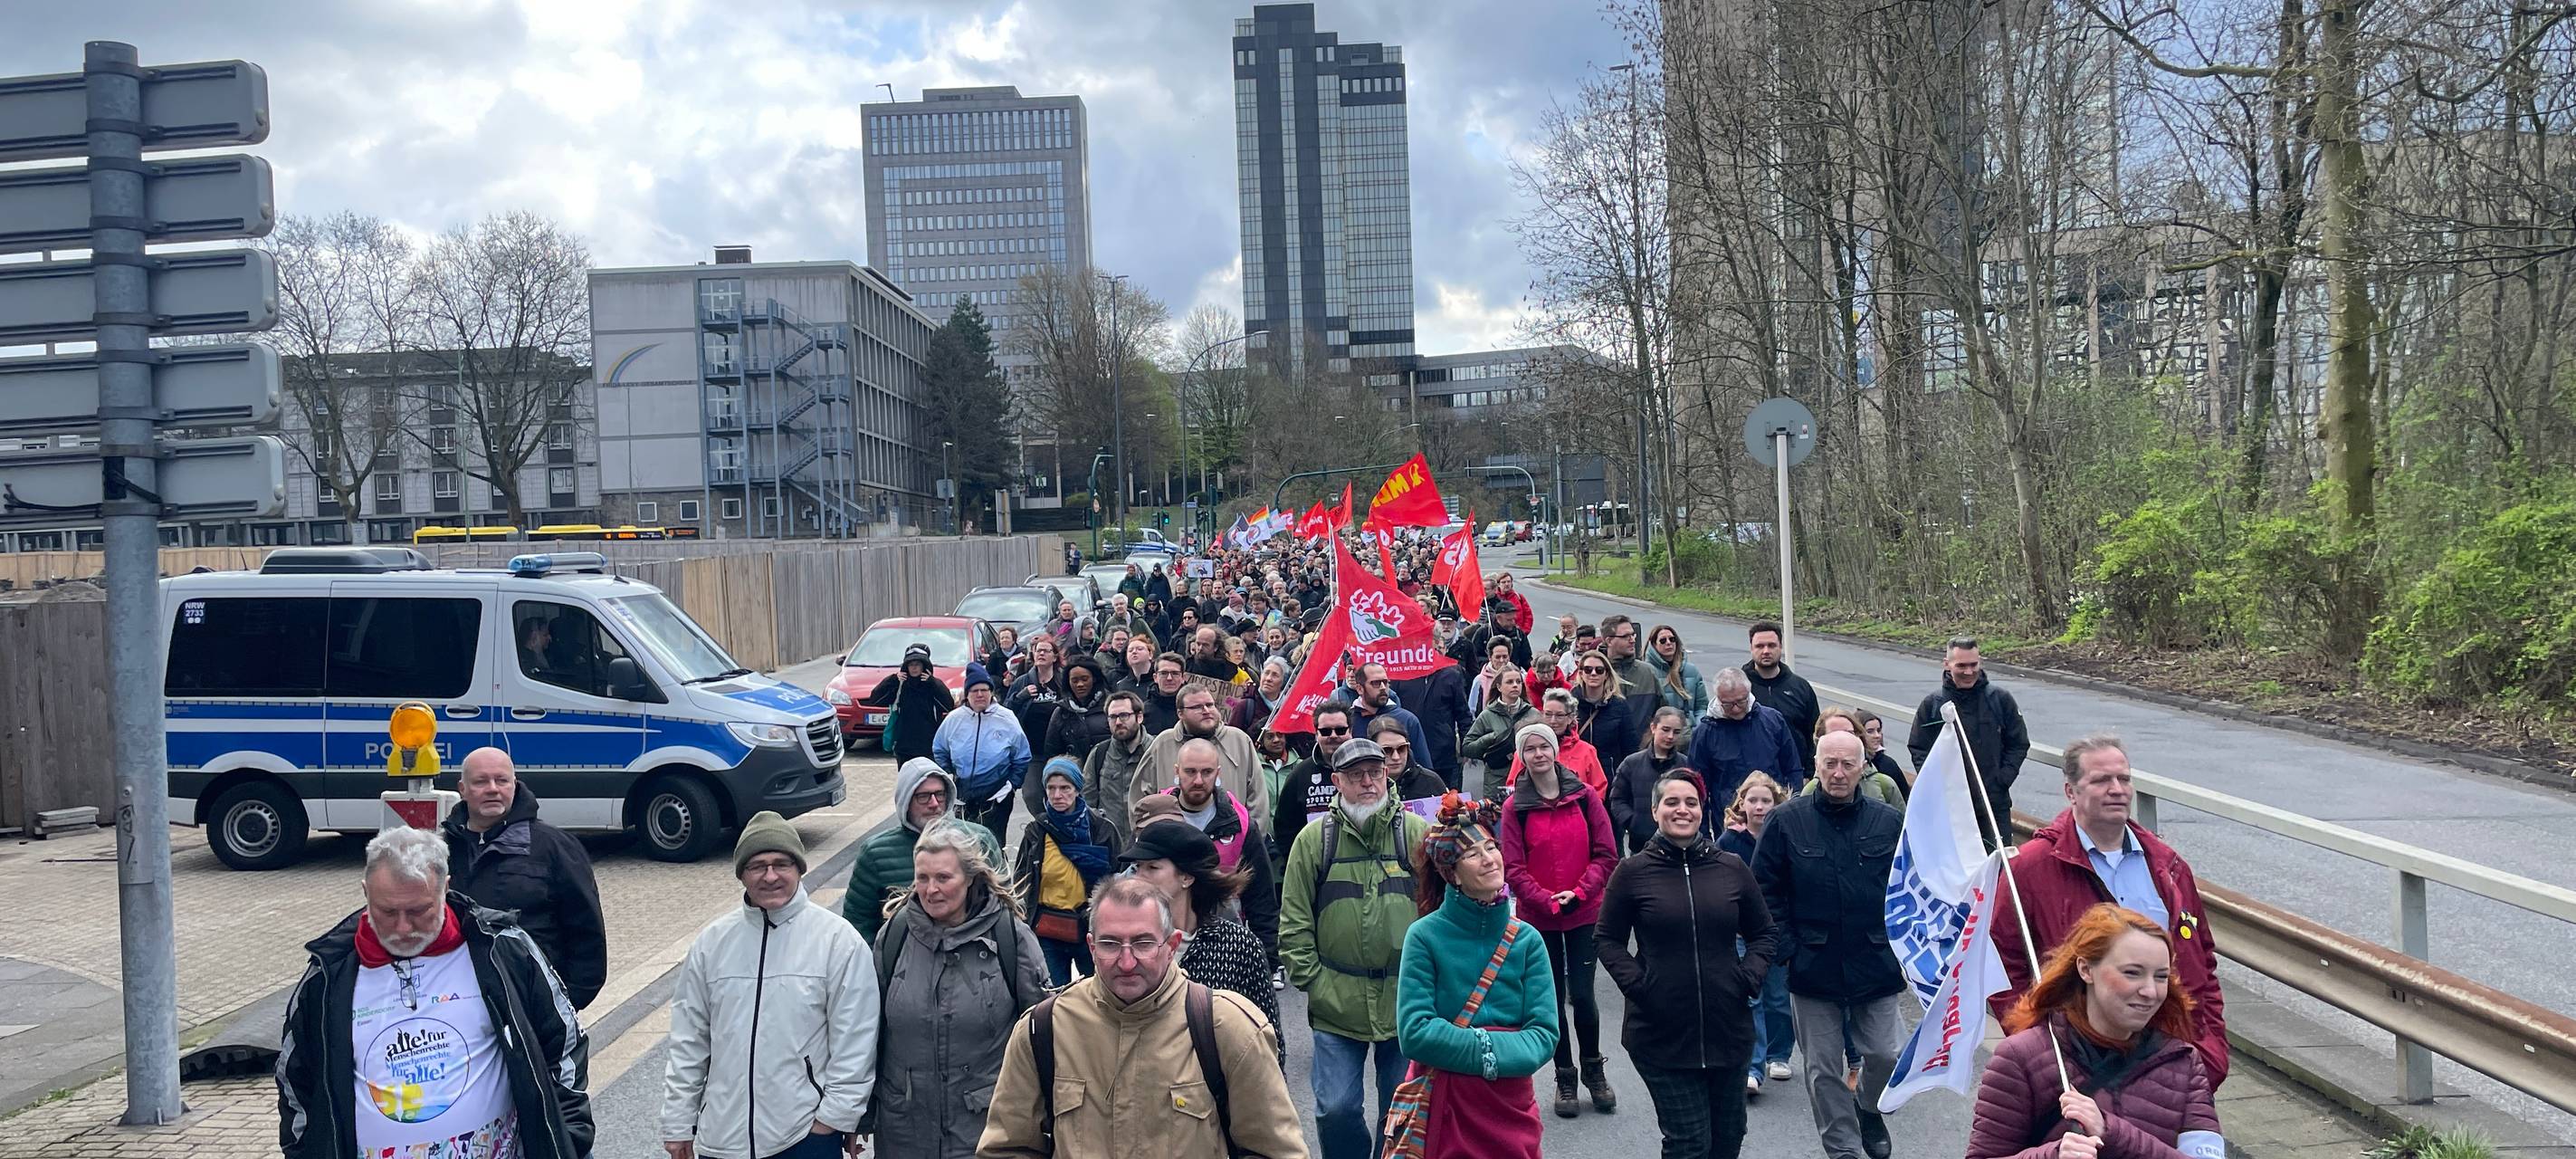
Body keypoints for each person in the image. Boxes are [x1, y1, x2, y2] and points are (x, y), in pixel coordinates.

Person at [277, 827, 592, 1159]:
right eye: (386, 911)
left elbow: (563, 1043)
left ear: (446, 889)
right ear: (365, 892)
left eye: (418, 911)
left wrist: (571, 1136)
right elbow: (296, 1082)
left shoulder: (501, 951)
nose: (402, 928)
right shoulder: (328, 976)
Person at [976, 878, 1308, 1159]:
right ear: (1091, 947)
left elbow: (1277, 1151)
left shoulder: (1230, 1029)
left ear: (1172, 944)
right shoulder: (1042, 1030)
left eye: (1143, 943)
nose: (1127, 961)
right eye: (1110, 944)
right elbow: (1007, 1147)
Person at [1989, 736, 2229, 1087]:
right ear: (2071, 792)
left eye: (2124, 779)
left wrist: (2211, 1050)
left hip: (2171, 1059)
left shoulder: (2167, 865)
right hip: (2082, 1065)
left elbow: (2201, 960)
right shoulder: (2032, 868)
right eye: (2101, 780)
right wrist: (2037, 1047)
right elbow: (1999, 962)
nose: (2117, 789)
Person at [663, 813, 877, 1159]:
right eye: (758, 866)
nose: (771, 876)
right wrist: (677, 1121)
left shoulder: (838, 941)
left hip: (805, 1136)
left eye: (782, 864)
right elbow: (689, 1041)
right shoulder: (711, 944)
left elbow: (856, 1039)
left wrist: (836, 1118)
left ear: (800, 869)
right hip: (722, 1139)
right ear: (742, 874)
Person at [1598, 769, 1779, 1159]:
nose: (1683, 810)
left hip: (1728, 1029)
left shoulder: (1730, 868)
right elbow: (1607, 940)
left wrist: (1748, 979)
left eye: (1691, 803)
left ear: (1703, 810)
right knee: (1689, 1143)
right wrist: (1640, 985)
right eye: (1672, 802)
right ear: (1655, 809)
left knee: (1728, 1138)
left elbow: (1764, 933)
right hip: (1660, 1033)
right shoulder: (1632, 873)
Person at [1751, 732, 1906, 1159]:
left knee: (1888, 1054)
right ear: (1815, 765)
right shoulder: (1786, 820)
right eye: (1830, 764)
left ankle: (1868, 1108)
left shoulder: (1887, 821)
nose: (1838, 774)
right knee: (1822, 1069)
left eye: (1847, 765)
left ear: (1862, 768)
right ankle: (1843, 1149)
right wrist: (1787, 949)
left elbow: (1909, 888)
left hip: (1875, 960)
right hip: (1812, 964)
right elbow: (1764, 890)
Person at [1969, 905, 2225, 1159]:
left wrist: (2112, 1133)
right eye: (2132, 973)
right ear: (2085, 969)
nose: (2150, 991)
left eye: (2161, 977)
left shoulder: (2183, 1062)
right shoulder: (2021, 1057)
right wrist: (2052, 1156)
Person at [1279, 737, 1431, 1159]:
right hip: (1336, 1001)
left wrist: (1430, 983)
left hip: (1406, 1001)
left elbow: (1439, 914)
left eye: (1375, 772)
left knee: (1399, 1112)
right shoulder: (1313, 841)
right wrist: (1315, 982)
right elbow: (1293, 921)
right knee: (1335, 1110)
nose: (1368, 782)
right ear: (1337, 782)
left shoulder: (1416, 834)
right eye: (1356, 775)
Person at [1396, 794, 1561, 1159]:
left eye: (1491, 847)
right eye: (1472, 854)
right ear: (1451, 873)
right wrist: (1491, 1048)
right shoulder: (1424, 936)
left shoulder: (1527, 940)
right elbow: (1415, 1031)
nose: (1489, 859)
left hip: (1512, 1106)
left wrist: (1473, 1047)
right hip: (1448, 1106)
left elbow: (1544, 1034)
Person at [872, 823, 1050, 1159]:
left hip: (986, 1132)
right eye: (922, 878)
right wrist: (863, 1114)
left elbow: (1041, 1034)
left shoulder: (1011, 938)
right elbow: (870, 1032)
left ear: (970, 878)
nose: (931, 889)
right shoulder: (895, 937)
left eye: (943, 878)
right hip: (904, 1132)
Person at [1497, 722, 1622, 1118]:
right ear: (1522, 757)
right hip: (1539, 917)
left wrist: (1580, 893)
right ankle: (1564, 1076)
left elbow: (1606, 854)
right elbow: (1512, 867)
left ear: (1554, 751)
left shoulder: (1585, 798)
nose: (1538, 754)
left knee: (1583, 996)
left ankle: (1594, 1071)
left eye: (1543, 747)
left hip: (1584, 911)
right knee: (1549, 1000)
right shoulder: (1514, 807)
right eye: (1529, 749)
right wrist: (1545, 899)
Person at [441, 746, 607, 1009]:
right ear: (462, 789)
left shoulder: (555, 847)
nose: (493, 788)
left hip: (536, 1004)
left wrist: (566, 1002)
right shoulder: (440, 851)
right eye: (481, 781)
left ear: (514, 785)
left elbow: (586, 931)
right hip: (459, 1005)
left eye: (502, 780)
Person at [1121, 819, 1283, 1060]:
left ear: (1186, 878)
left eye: (1152, 868)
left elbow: (1269, 1039)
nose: (1139, 879)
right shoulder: (1122, 944)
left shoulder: (1237, 945)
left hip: (1217, 1088)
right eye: (1137, 867)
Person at [844, 758, 1004, 943]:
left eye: (940, 794)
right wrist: (883, 965)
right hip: (906, 964)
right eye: (923, 796)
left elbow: (1003, 906)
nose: (934, 803)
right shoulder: (875, 853)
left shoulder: (979, 840)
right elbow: (858, 926)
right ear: (905, 800)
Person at [1157, 737, 1282, 961]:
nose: (1198, 780)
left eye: (1206, 772)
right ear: (1177, 771)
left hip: (1224, 945)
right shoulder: (1155, 819)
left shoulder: (1240, 824)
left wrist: (1268, 958)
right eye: (1190, 771)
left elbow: (1261, 897)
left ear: (1218, 773)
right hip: (1164, 942)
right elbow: (1132, 881)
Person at [1906, 636, 2030, 850]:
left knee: (1997, 868)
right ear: (1947, 664)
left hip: (1993, 804)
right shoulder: (1933, 705)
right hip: (1951, 808)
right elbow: (1919, 747)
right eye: (1961, 666)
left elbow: (2018, 743)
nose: (1968, 672)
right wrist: (1939, 784)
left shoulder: (2000, 700)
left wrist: (2003, 779)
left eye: (1973, 665)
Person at [1713, 771, 1794, 1097]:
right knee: (1751, 996)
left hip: (1775, 927)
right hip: (1740, 929)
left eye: (1766, 801)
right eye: (1753, 800)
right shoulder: (1729, 841)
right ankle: (1754, 1066)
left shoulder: (1784, 835)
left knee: (1778, 996)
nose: (1760, 807)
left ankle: (1780, 1054)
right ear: (1741, 804)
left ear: (1777, 804)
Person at [1013, 757, 1115, 984]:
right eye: (1051, 788)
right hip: (1048, 929)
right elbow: (1021, 880)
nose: (1057, 795)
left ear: (1077, 790)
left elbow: (1117, 876)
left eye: (1065, 788)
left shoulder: (1101, 829)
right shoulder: (1037, 832)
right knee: (1053, 998)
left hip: (1089, 927)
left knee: (1099, 993)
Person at [1687, 667, 1808, 806]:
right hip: (1729, 817)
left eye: (1741, 701)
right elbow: (1698, 787)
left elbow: (1793, 768)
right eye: (1728, 704)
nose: (1736, 708)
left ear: (1749, 693)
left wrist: (1794, 803)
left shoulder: (1773, 721)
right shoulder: (1704, 733)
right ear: (1718, 699)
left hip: (1773, 811)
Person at [934, 673, 1032, 839]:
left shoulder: (1006, 718)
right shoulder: (954, 719)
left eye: (984, 690)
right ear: (967, 694)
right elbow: (939, 749)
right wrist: (949, 775)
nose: (980, 695)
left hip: (996, 794)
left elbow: (1022, 756)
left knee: (993, 844)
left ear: (991, 693)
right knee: (963, 845)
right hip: (962, 795)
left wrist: (1011, 786)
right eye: (974, 691)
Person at [1270, 704, 1354, 858]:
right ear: (1316, 734)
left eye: (1340, 730)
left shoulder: (1367, 770)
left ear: (1351, 732)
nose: (1333, 736)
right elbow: (1284, 827)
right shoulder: (1300, 774)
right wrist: (1299, 861)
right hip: (1314, 866)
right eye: (1326, 731)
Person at [1608, 706, 1692, 853]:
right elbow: (1617, 799)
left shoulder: (1686, 765)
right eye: (1665, 730)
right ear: (1653, 728)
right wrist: (1632, 822)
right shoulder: (1632, 763)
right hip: (1641, 844)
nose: (1670, 736)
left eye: (1676, 732)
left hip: (1678, 843)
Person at [1082, 690, 1154, 850]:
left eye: (1124, 715)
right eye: (1112, 717)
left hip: (1148, 845)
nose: (1118, 722)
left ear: (1139, 717)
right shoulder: (1099, 754)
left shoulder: (1156, 750)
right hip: (1110, 847)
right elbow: (1087, 801)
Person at [864, 643, 956, 762]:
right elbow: (875, 699)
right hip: (904, 748)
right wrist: (892, 679)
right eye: (910, 665)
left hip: (928, 747)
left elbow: (948, 705)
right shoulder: (900, 685)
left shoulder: (933, 686)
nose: (914, 668)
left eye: (917, 664)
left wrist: (933, 683)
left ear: (924, 666)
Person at [1509, 688, 1609, 794]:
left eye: (1559, 715)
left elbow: (1598, 789)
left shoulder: (1587, 751)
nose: (1553, 721)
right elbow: (1512, 787)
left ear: (1571, 718)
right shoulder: (1527, 749)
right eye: (1548, 714)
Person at [1743, 621, 1818, 762]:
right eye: (1759, 646)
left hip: (1795, 774)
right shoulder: (1739, 688)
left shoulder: (1800, 687)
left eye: (1771, 645)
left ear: (1781, 647)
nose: (1766, 651)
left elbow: (1814, 734)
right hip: (1750, 776)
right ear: (1751, 648)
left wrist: (1808, 773)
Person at [1336, 662, 1436, 764]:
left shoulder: (1407, 720)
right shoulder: (1349, 721)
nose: (1383, 687)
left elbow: (1424, 768)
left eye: (1385, 682)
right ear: (1360, 689)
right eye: (1376, 683)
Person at [1461, 667, 1539, 798]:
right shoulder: (1487, 715)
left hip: (1528, 780)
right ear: (1499, 686)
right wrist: (1491, 739)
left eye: (1518, 682)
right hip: (1497, 783)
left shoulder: (1533, 714)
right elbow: (1467, 748)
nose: (1515, 685)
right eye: (1509, 682)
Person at [1806, 707, 1906, 807]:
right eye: (1835, 734)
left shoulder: (1885, 785)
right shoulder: (1810, 792)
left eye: (1849, 733)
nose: (1844, 739)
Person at [1042, 656, 1111, 793]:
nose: (1080, 684)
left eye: (1085, 679)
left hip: (1109, 775)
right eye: (1074, 680)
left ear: (1094, 678)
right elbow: (1053, 752)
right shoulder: (1061, 712)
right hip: (1076, 778)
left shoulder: (1111, 706)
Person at [1569, 650, 1643, 769]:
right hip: (1577, 773)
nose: (1593, 674)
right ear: (1581, 673)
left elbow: (1630, 746)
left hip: (1609, 776)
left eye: (1599, 670)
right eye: (1588, 669)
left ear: (1606, 674)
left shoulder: (1619, 706)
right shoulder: (1570, 704)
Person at [1366, 715, 1452, 801]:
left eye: (1402, 748)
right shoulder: (1363, 785)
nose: (1396, 757)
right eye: (1387, 750)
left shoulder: (1431, 781)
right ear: (1373, 750)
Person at [1646, 624, 1711, 718]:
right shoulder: (1648, 672)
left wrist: (1698, 726)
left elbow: (1702, 706)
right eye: (1663, 641)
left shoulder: (1692, 671)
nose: (1668, 643)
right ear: (1654, 645)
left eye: (1672, 639)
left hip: (1691, 729)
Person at [1856, 708, 1910, 790]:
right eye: (1870, 731)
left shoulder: (1888, 764)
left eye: (1879, 730)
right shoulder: (1850, 762)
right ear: (1858, 733)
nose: (1877, 735)